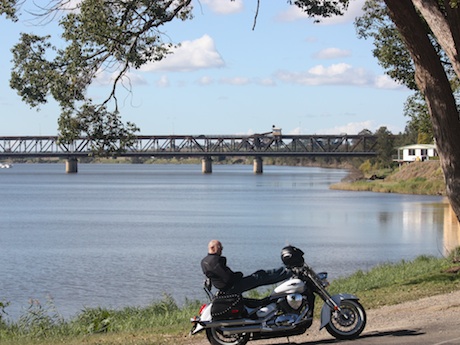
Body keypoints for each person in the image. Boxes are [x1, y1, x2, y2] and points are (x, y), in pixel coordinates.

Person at [200, 239, 292, 294]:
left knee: (259, 276)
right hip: (232, 287)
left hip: (225, 288)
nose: (222, 250)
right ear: (212, 248)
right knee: (260, 276)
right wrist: (239, 275)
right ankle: (288, 272)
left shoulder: (204, 261)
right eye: (220, 248)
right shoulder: (216, 260)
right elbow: (228, 278)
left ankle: (284, 271)